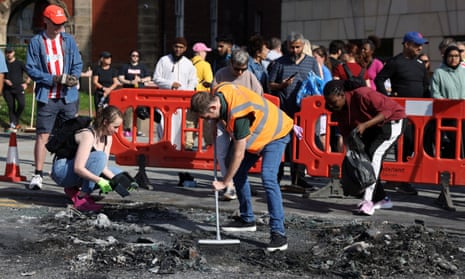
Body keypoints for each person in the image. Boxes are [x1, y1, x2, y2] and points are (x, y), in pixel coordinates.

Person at [190, 83, 294, 251]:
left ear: (213, 106)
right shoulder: (218, 91)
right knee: (238, 172)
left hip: (276, 133)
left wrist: (225, 182)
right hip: (256, 134)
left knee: (268, 178)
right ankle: (247, 219)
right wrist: (214, 121)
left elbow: (239, 154)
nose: (208, 121)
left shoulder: (238, 115)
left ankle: (279, 234)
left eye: (208, 117)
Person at [323, 80, 406, 215]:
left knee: (374, 156)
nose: (331, 106)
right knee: (363, 162)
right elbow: (346, 134)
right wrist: (350, 155)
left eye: (333, 102)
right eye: (328, 103)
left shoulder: (363, 94)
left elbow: (387, 112)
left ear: (342, 95)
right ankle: (382, 198)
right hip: (372, 127)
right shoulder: (338, 111)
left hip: (391, 121)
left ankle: (368, 201)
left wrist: (365, 125)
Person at [25, 4, 83, 190]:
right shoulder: (36, 42)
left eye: (62, 23)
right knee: (43, 135)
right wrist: (54, 79)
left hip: (68, 97)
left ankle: (72, 172)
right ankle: (38, 175)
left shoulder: (68, 40)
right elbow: (31, 69)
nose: (59, 27)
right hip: (47, 96)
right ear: (46, 21)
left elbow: (78, 63)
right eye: (56, 23)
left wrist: (73, 77)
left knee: (72, 135)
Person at [374, 31, 430, 195]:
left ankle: (404, 179)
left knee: (411, 143)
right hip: (399, 112)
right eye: (416, 44)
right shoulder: (395, 62)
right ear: (406, 45)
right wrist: (388, 99)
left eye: (421, 44)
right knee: (394, 143)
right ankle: (389, 177)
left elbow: (426, 87)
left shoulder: (420, 65)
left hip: (419, 115)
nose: (419, 47)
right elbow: (379, 79)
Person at [268, 32, 320, 188]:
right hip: (284, 109)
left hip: (304, 110)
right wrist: (282, 85)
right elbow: (271, 84)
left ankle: (298, 178)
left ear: (303, 46)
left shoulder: (311, 62)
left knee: (301, 143)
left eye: (298, 47)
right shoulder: (279, 63)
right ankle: (277, 176)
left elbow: (317, 82)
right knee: (282, 143)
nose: (295, 50)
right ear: (287, 46)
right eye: (292, 47)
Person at [212, 49, 264, 200]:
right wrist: (222, 124)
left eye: (243, 69)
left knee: (238, 154)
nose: (240, 73)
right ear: (230, 64)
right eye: (236, 69)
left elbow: (259, 100)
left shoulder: (250, 78)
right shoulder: (221, 75)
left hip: (243, 123)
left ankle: (238, 183)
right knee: (221, 152)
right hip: (223, 120)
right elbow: (214, 101)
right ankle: (228, 185)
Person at [50, 105, 124, 212]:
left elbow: (103, 168)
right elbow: (78, 168)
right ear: (105, 122)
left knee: (118, 174)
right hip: (62, 171)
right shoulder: (88, 135)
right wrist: (100, 180)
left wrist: (120, 183)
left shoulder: (109, 138)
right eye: (115, 127)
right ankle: (81, 197)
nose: (117, 131)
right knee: (99, 156)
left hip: (74, 170)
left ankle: (74, 189)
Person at [152, 37, 197, 148]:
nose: (178, 49)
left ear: (185, 49)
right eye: (176, 47)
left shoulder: (188, 64)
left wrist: (186, 94)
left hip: (181, 103)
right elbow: (156, 78)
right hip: (165, 101)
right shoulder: (163, 60)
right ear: (172, 47)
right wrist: (170, 84)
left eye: (181, 47)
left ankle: (177, 150)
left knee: (179, 127)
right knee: (163, 125)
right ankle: (163, 148)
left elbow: (193, 81)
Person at [430, 45, 465, 158]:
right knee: (451, 144)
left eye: (456, 56)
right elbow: (435, 92)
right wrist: (445, 102)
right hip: (447, 116)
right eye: (450, 56)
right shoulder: (439, 72)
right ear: (445, 57)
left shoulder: (463, 72)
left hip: (463, 115)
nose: (453, 59)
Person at [118, 49, 151, 137]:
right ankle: (126, 129)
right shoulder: (125, 66)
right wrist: (130, 82)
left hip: (139, 92)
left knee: (139, 111)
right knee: (128, 111)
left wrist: (141, 80)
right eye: (133, 55)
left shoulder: (142, 67)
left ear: (139, 58)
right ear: (130, 56)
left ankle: (138, 130)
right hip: (128, 92)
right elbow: (120, 78)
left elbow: (149, 78)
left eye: (136, 56)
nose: (135, 57)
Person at [189, 42, 214, 150]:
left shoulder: (188, 63)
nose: (206, 54)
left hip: (190, 96)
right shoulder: (205, 65)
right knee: (206, 122)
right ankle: (209, 144)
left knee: (190, 121)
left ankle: (188, 143)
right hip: (203, 97)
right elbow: (209, 81)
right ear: (200, 52)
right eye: (205, 52)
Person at [3, 47, 30, 132]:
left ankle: (15, 120)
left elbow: (30, 73)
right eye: (7, 52)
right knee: (11, 106)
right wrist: (5, 80)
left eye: (10, 52)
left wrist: (26, 83)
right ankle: (13, 124)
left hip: (18, 87)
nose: (8, 54)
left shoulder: (19, 63)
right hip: (7, 89)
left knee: (22, 104)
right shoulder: (3, 64)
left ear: (13, 53)